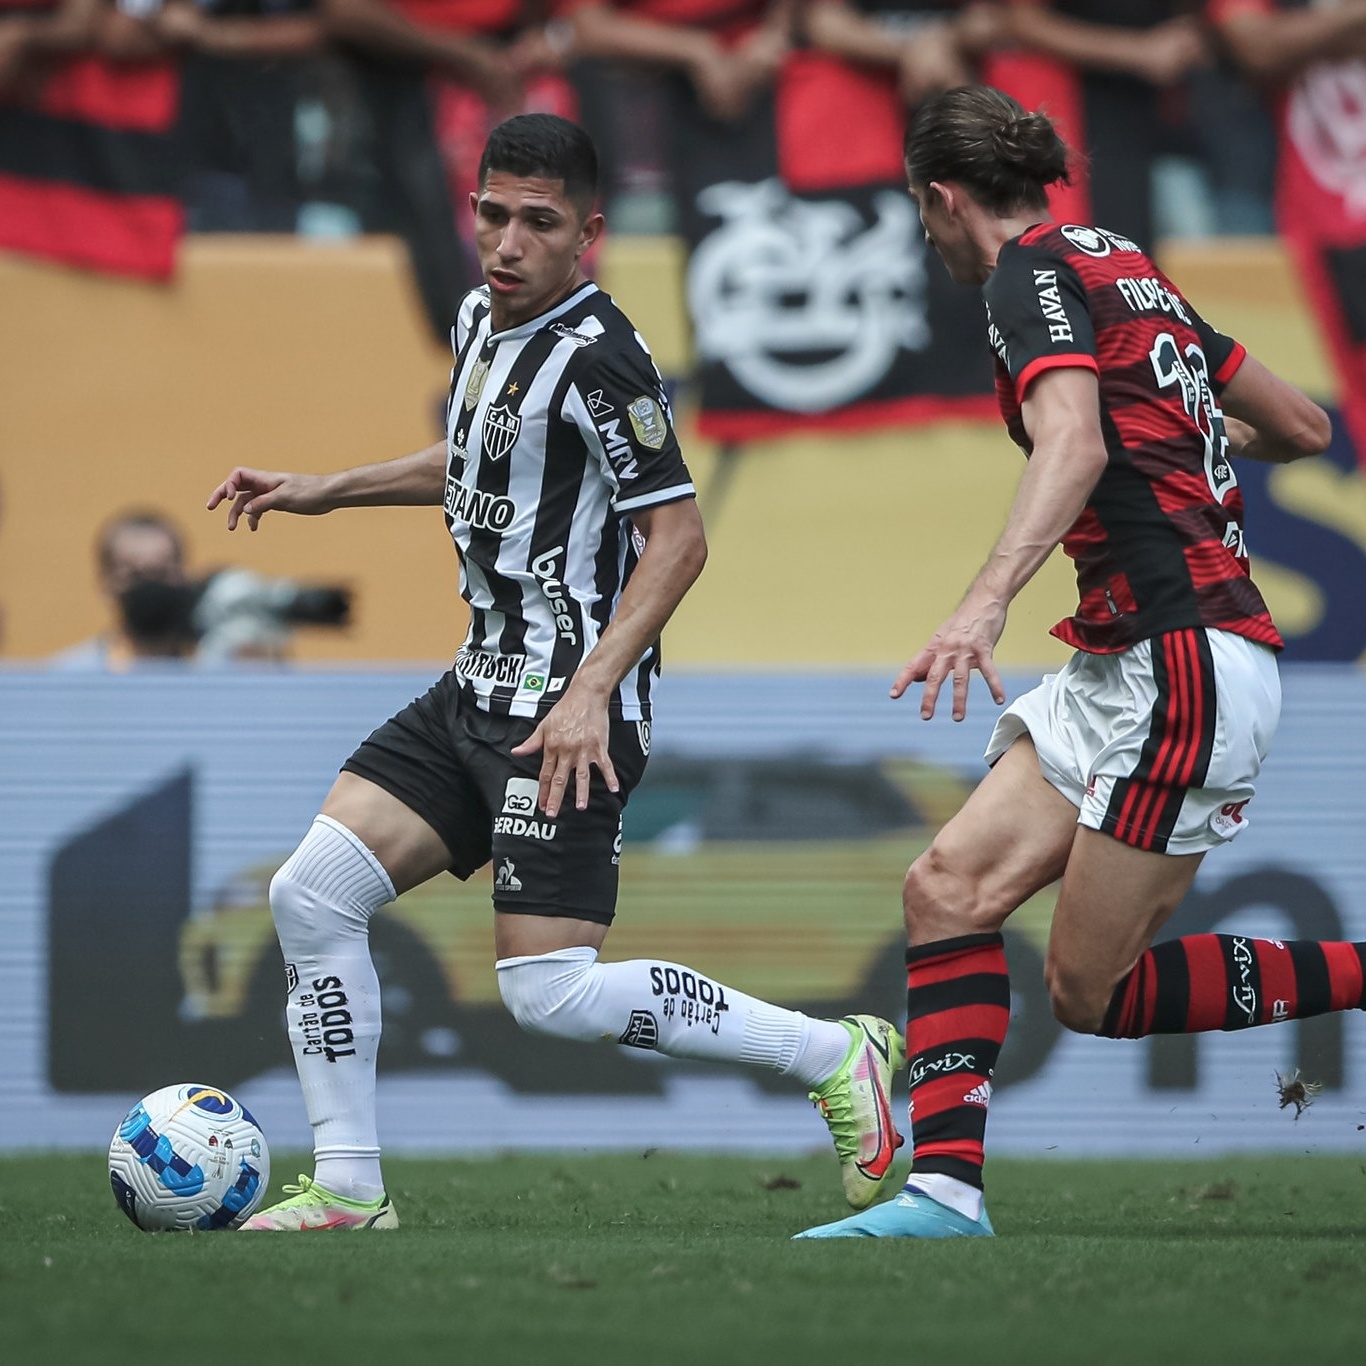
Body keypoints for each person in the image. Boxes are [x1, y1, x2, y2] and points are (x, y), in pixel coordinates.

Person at [208, 113, 905, 1232]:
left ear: (587, 233)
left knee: (550, 995)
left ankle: (835, 1052)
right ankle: (348, 1187)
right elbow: (480, 453)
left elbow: (679, 539)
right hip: (474, 690)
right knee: (309, 895)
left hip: (564, 712)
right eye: (492, 214)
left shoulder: (604, 358)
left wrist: (587, 692)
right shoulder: (482, 318)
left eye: (538, 223)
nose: (507, 242)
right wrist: (327, 488)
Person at [794, 85, 1355, 1241]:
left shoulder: (1024, 277)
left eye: (920, 211)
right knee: (945, 890)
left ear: (942, 197)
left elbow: (1073, 436)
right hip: (1126, 657)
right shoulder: (1119, 260)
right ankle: (943, 1197)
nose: (927, 232)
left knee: (1088, 995)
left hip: (1184, 661)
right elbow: (1300, 425)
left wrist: (980, 602)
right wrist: (1191, 419)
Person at [52, 509, 195, 669]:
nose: (150, 587)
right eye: (134, 575)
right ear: (105, 584)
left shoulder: (211, 673)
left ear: (184, 577)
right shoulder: (69, 679)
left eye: (161, 573)